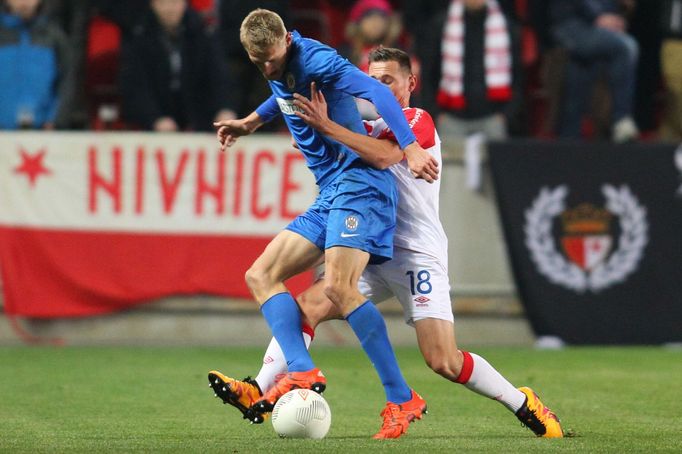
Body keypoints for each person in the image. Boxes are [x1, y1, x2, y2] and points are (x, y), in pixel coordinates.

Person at [210, 47, 564, 439]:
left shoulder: (417, 121)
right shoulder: (361, 121)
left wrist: (327, 129)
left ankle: (523, 401)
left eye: (388, 81)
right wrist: (258, 122)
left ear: (410, 83)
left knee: (443, 360)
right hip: (371, 248)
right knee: (307, 307)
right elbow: (292, 89)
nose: (378, 88)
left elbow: (382, 157)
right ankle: (260, 387)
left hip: (416, 254)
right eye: (372, 81)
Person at [210, 9, 439, 439]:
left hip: (360, 183)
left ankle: (401, 395)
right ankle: (300, 369)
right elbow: (281, 91)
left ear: (285, 42)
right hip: (331, 190)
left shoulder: (317, 60)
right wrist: (250, 122)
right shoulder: (275, 60)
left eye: (272, 59)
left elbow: (377, 92)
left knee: (338, 288)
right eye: (257, 61)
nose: (267, 67)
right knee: (260, 274)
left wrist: (408, 148)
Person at [118, 0, 236, 132]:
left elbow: (218, 76)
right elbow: (135, 86)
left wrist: (224, 108)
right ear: (153, 4)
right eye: (163, 3)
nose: (170, 9)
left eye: (175, 3)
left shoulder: (202, 33)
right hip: (152, 126)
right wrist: (154, 119)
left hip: (199, 123)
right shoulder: (138, 36)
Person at [549, 0, 640, 142]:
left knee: (581, 67)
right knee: (624, 48)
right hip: (570, 22)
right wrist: (598, 17)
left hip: (591, 25)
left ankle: (569, 135)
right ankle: (621, 119)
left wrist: (615, 18)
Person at [434, 0, 523, 140]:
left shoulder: (506, 26)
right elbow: (430, 72)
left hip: (493, 116)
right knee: (449, 162)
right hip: (452, 118)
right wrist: (437, 114)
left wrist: (506, 115)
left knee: (496, 162)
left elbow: (518, 75)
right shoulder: (442, 24)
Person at [0, 0, 76, 130]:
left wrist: (55, 120)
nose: (24, 3)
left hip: (45, 131)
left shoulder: (55, 37)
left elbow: (67, 81)